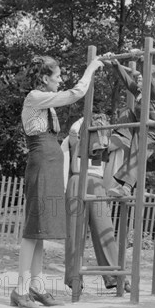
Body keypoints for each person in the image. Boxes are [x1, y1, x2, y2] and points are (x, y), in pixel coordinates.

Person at [11, 55, 104, 308]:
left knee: (42, 229)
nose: (60, 79)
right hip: (41, 163)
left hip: (51, 164)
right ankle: (20, 290)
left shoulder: (47, 104)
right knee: (33, 228)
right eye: (57, 76)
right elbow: (76, 93)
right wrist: (91, 68)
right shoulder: (35, 97)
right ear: (44, 78)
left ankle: (37, 286)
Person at [64, 116, 131, 293]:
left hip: (97, 183)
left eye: (102, 124)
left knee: (104, 229)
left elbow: (125, 139)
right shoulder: (78, 138)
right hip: (78, 180)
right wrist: (86, 119)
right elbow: (72, 131)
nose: (98, 126)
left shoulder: (107, 142)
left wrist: (106, 129)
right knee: (74, 231)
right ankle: (74, 278)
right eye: (96, 123)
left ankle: (115, 276)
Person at [105, 59, 155, 197]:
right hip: (141, 126)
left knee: (136, 156)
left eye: (142, 76)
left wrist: (142, 58)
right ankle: (124, 137)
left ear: (152, 81)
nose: (139, 76)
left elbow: (148, 76)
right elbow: (126, 80)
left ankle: (126, 187)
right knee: (126, 110)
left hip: (153, 130)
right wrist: (116, 63)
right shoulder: (139, 93)